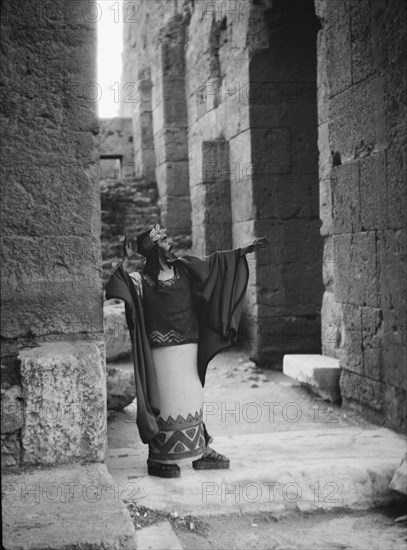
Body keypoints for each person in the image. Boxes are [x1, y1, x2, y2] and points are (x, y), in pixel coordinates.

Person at [105, 224, 268, 478]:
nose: (170, 242)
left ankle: (201, 451)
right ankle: (159, 458)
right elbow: (118, 286)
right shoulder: (141, 280)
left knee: (191, 396)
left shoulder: (184, 268)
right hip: (160, 352)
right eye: (164, 239)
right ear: (153, 248)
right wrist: (124, 260)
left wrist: (241, 253)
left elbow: (214, 266)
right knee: (166, 399)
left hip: (189, 347)